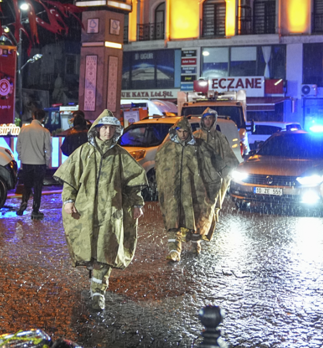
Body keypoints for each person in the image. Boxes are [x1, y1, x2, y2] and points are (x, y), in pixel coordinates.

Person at [53, 109, 147, 312]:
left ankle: (98, 291)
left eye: (110, 128)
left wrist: (137, 203)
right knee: (89, 249)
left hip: (110, 213)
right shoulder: (83, 152)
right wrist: (68, 199)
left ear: (115, 130)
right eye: (103, 127)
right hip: (85, 213)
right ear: (96, 129)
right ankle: (93, 272)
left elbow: (133, 184)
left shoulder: (121, 156)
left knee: (105, 250)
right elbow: (70, 178)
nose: (107, 132)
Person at [155, 117, 222, 262]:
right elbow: (161, 168)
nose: (183, 135)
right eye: (180, 131)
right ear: (175, 132)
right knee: (174, 220)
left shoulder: (198, 147)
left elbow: (210, 166)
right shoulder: (167, 149)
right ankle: (174, 250)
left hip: (193, 191)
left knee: (194, 218)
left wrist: (210, 184)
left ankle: (195, 241)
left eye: (186, 132)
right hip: (173, 192)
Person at [193, 108, 240, 210]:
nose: (208, 121)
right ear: (202, 120)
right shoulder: (196, 136)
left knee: (213, 204)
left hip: (215, 176)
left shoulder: (220, 138)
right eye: (206, 118)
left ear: (214, 120)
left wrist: (227, 170)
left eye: (210, 118)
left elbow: (228, 155)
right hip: (200, 175)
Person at [15, 108, 52, 219]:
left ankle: (24, 202)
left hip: (26, 162)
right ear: (43, 118)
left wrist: (22, 157)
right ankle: (35, 210)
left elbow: (18, 147)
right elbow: (48, 149)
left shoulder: (24, 129)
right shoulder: (45, 131)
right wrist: (46, 161)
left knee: (26, 185)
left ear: (33, 116)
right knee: (37, 187)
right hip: (39, 163)